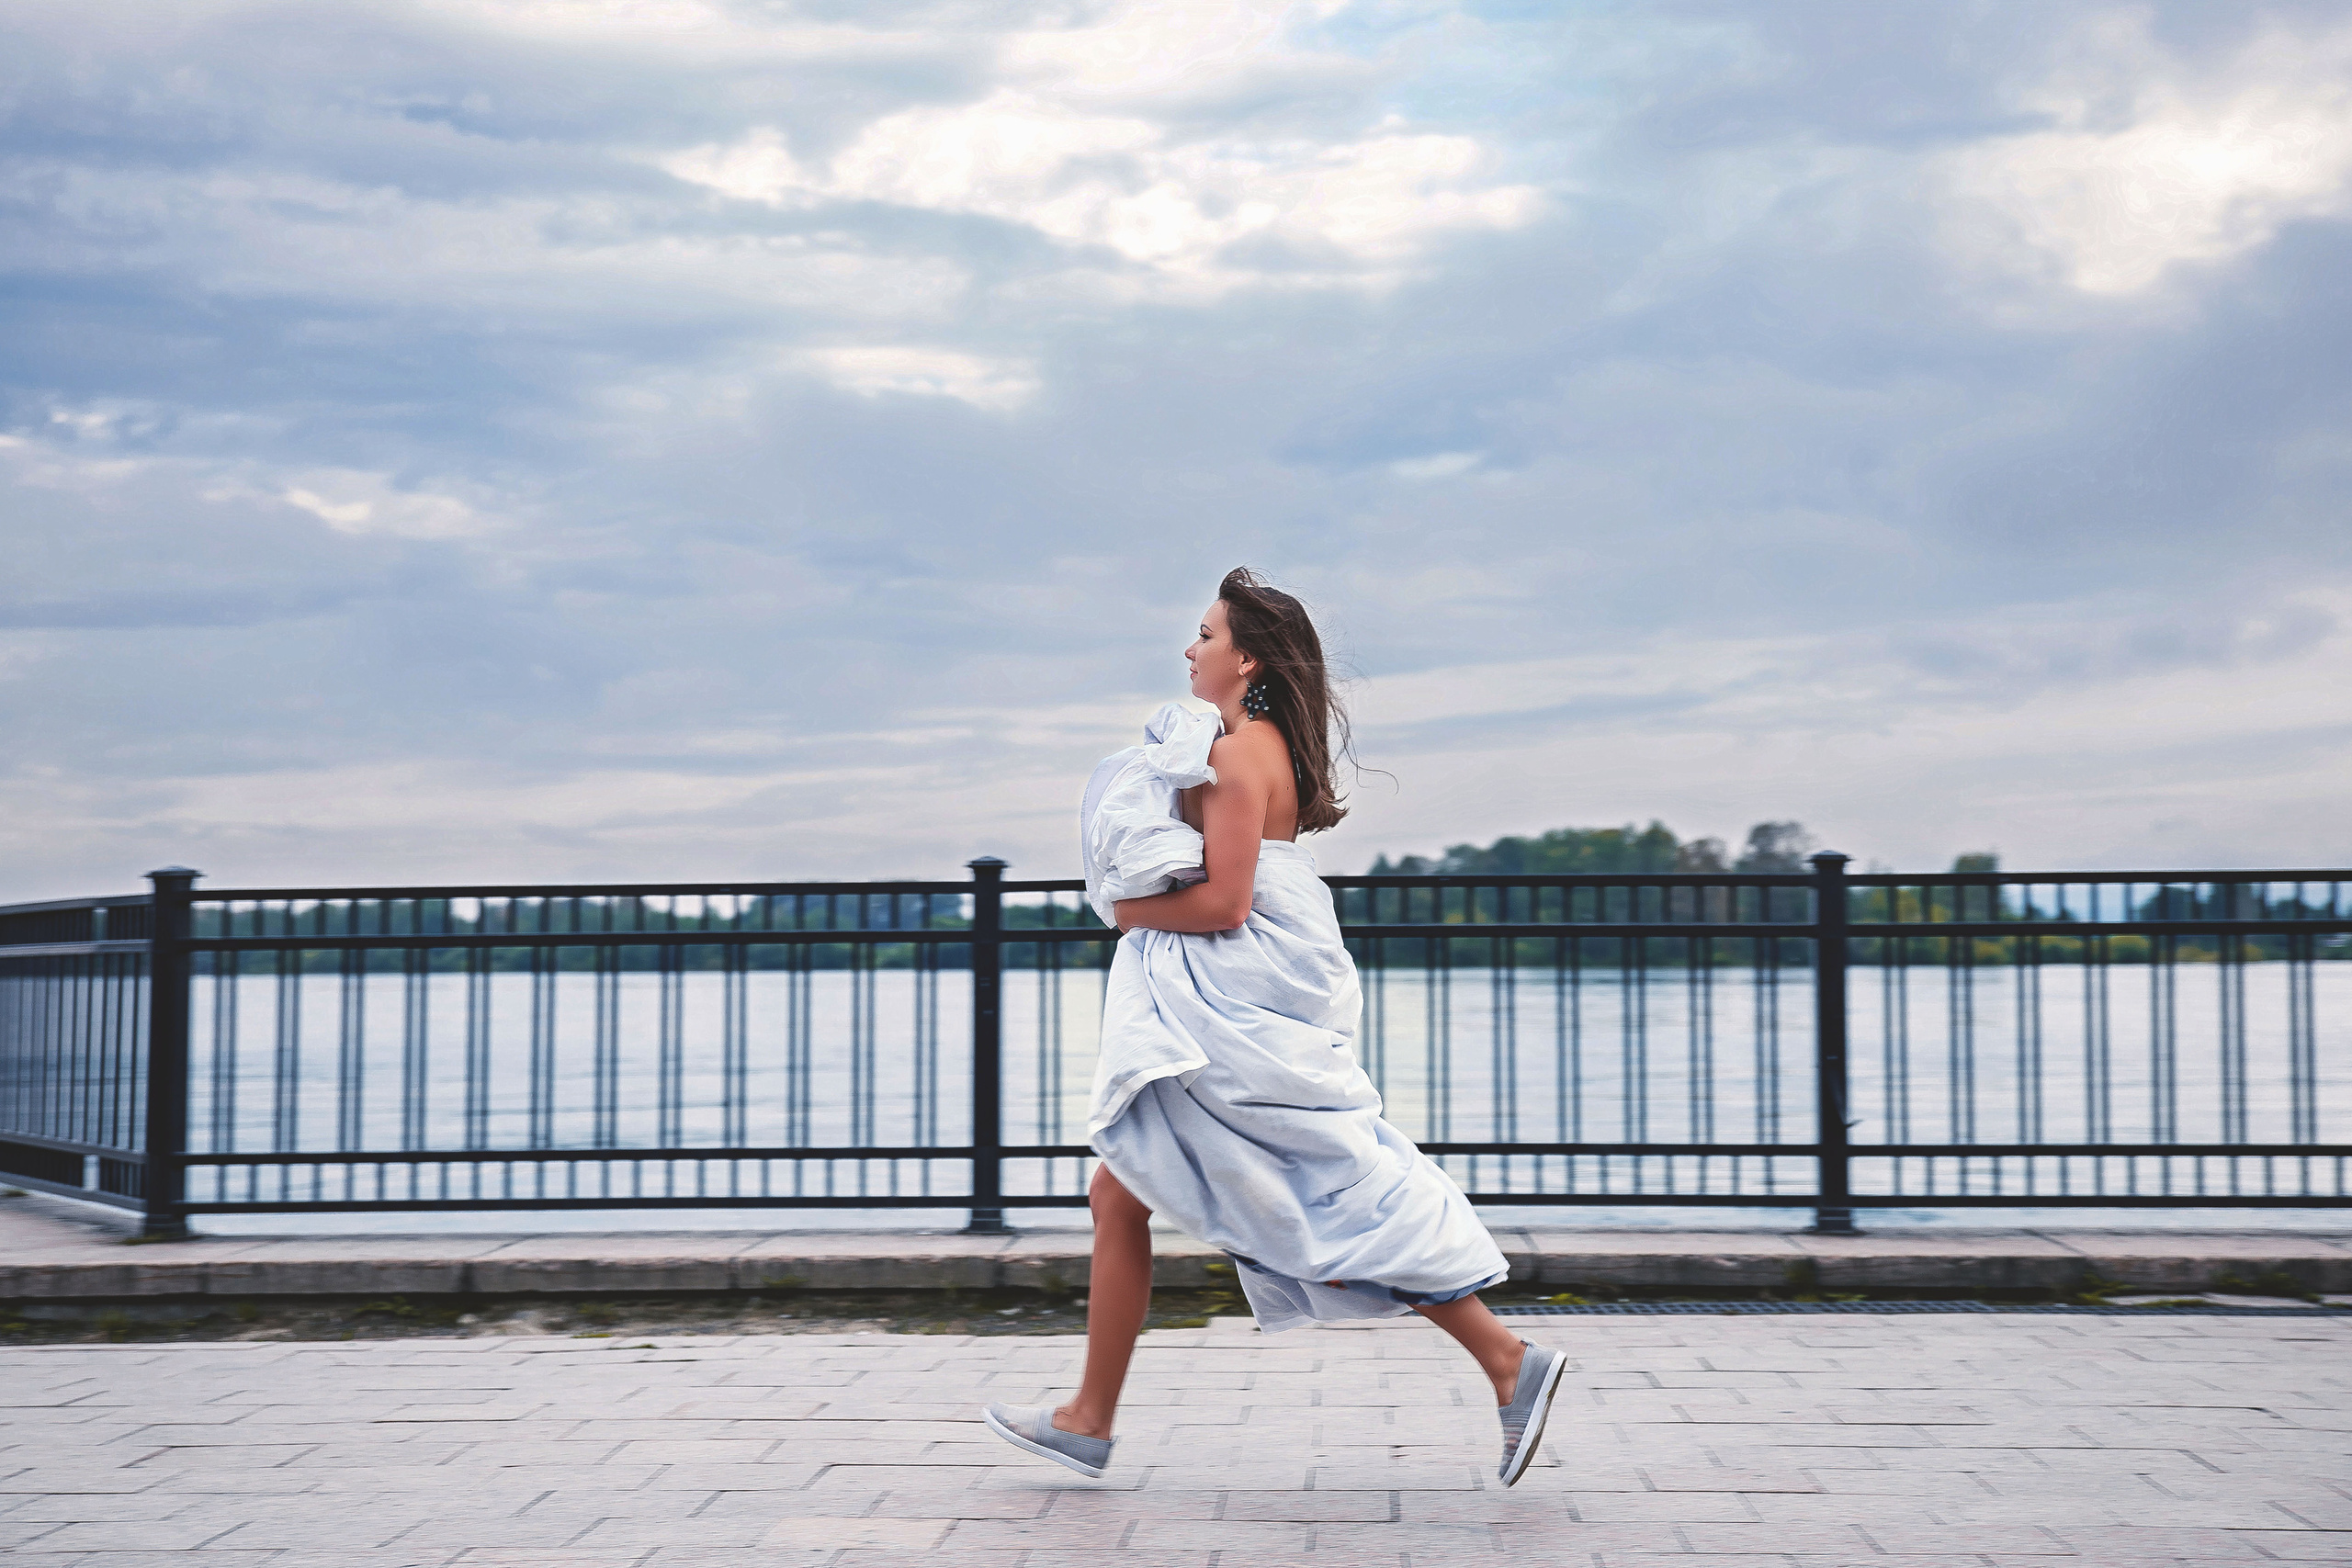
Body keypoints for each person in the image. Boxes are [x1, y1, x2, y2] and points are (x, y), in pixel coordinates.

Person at [983, 567, 1567, 1486]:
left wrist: (1126, 910)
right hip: (1241, 995)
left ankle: (1506, 1359)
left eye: (1206, 634)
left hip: (1226, 1007)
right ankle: (1087, 1418)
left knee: (1314, 1195)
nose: (1190, 649)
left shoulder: (1234, 755)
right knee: (1128, 1195)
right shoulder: (1260, 749)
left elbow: (1225, 903)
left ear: (1247, 658)